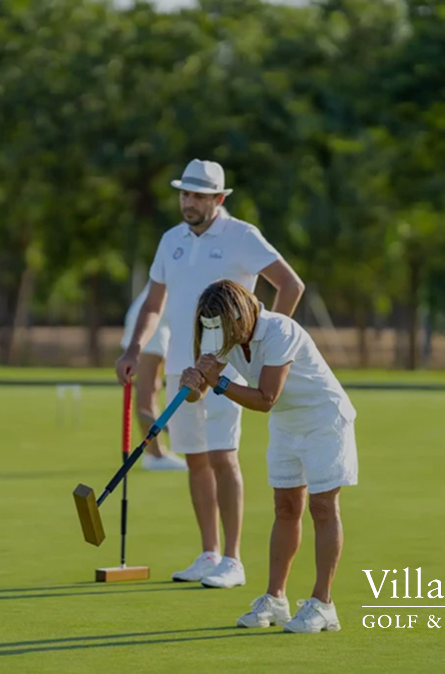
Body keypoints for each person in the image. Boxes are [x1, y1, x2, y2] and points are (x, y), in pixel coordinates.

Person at [115, 159, 304, 589]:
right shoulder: (171, 241)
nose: (189, 202)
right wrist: (133, 348)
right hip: (184, 368)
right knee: (196, 459)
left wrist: (262, 343)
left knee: (223, 456)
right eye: (185, 193)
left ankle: (233, 560)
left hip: (225, 364)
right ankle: (208, 553)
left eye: (199, 195)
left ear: (218, 199)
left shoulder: (242, 236)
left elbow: (291, 286)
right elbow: (153, 305)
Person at [179, 279, 358, 633]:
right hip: (287, 425)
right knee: (285, 508)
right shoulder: (225, 334)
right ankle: (275, 600)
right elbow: (198, 392)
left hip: (324, 420)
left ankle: (323, 604)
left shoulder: (280, 330)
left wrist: (219, 383)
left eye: (222, 325)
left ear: (240, 315)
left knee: (321, 508)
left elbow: (265, 399)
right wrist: (192, 385)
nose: (218, 333)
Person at [119, 280, 187, 471]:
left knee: (153, 387)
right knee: (147, 389)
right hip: (149, 325)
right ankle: (154, 455)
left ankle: (155, 452)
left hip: (156, 323)